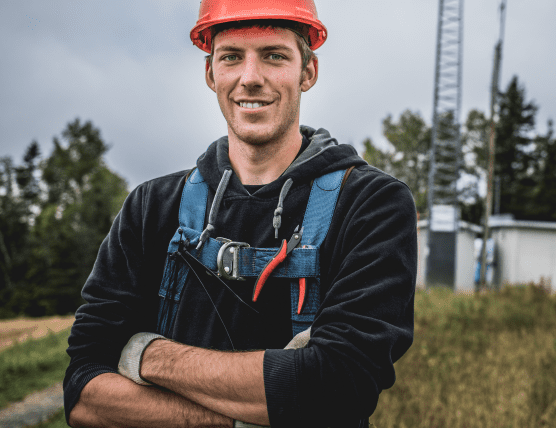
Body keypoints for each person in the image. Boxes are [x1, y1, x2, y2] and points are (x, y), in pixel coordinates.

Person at [63, 1, 417, 427]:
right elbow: (83, 393)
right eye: (231, 56)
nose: (251, 78)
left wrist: (147, 355)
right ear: (211, 73)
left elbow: (340, 385)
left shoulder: (372, 206)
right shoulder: (151, 208)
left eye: (274, 55)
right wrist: (247, 416)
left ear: (308, 72)